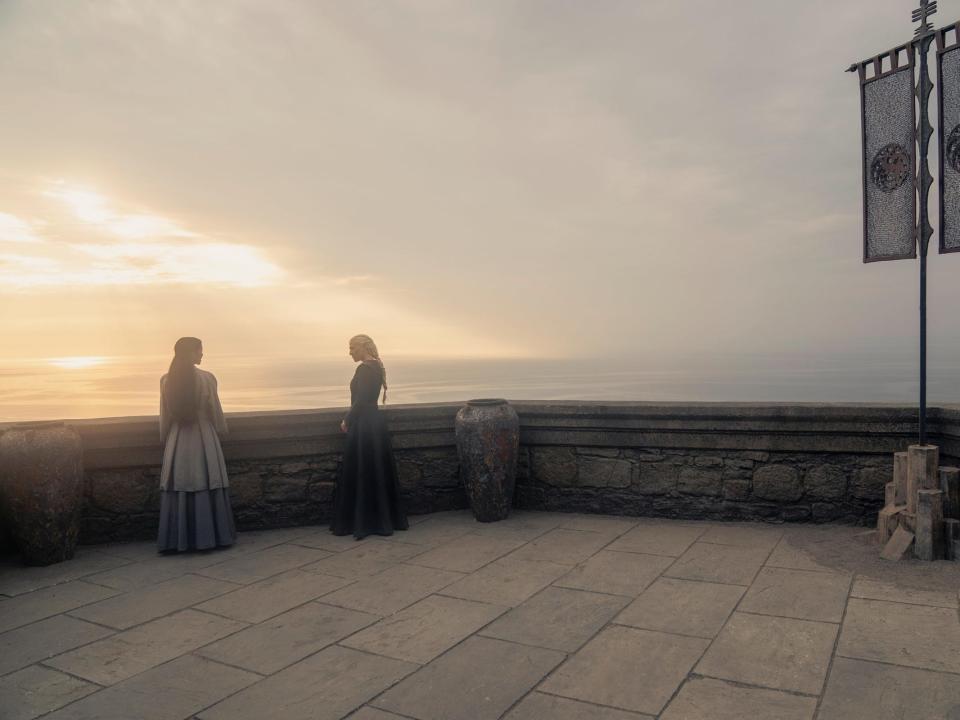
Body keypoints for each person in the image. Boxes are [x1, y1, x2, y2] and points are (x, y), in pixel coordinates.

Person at [157, 337, 236, 553]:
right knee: (206, 480)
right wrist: (220, 430)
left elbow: (164, 417)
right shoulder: (207, 379)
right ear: (191, 353)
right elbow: (215, 413)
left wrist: (166, 438)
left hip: (178, 438)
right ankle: (210, 536)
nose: (202, 354)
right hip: (203, 436)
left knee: (180, 484)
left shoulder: (167, 380)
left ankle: (178, 539)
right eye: (200, 351)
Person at [331, 334, 408, 539]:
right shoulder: (376, 366)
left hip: (364, 425)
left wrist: (347, 420)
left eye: (352, 348)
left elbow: (361, 401)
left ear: (362, 348)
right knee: (375, 470)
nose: (350, 352)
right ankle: (382, 518)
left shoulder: (365, 369)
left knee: (364, 471)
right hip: (375, 424)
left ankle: (366, 521)